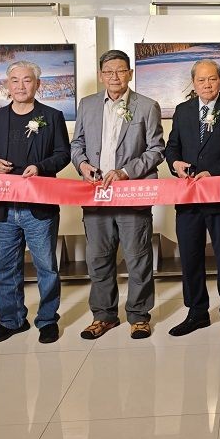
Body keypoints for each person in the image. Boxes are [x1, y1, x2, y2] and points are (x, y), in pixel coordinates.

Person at [0, 61, 71, 345]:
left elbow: (63, 154)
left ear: (37, 84)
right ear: (7, 85)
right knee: (2, 268)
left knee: (46, 268)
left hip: (39, 207)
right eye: (14, 80)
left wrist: (40, 167)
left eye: (27, 80)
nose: (20, 86)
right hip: (4, 207)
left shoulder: (52, 116)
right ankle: (12, 320)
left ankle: (47, 320)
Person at [71, 49, 165, 341]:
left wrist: (125, 172)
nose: (114, 76)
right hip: (96, 196)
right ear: (101, 75)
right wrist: (83, 165)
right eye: (108, 71)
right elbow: (77, 144)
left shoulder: (147, 106)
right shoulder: (87, 105)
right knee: (98, 259)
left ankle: (139, 316)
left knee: (138, 259)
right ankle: (104, 316)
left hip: (132, 194)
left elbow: (156, 149)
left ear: (130, 74)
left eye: (120, 70)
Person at [165, 59, 220, 340]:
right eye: (201, 80)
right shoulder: (183, 111)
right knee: (190, 257)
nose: (207, 84)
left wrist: (212, 172)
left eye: (212, 79)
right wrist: (175, 163)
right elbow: (172, 147)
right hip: (188, 198)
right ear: (194, 83)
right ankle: (197, 312)